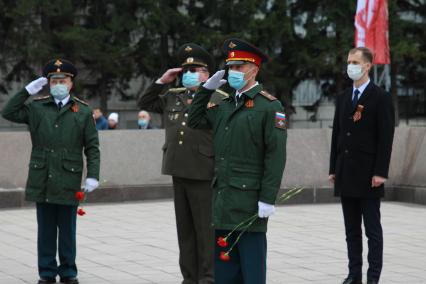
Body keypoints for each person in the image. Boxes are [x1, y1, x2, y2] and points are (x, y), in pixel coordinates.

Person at [188, 38, 287, 284]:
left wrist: (268, 197)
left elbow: (275, 155)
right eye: (230, 67)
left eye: (239, 67)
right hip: (223, 200)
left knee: (252, 273)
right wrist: (205, 90)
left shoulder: (269, 106)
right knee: (225, 274)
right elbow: (195, 120)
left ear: (254, 69)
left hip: (250, 203)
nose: (233, 72)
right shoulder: (224, 105)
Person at [1, 59, 100, 284]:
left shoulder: (83, 111)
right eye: (53, 80)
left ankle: (68, 272)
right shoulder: (36, 107)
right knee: (45, 230)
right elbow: (8, 112)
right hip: (42, 175)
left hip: (69, 177)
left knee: (67, 230)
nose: (58, 83)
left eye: (62, 80)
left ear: (71, 83)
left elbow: (92, 146)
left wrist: (93, 174)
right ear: (47, 83)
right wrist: (25, 91)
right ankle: (46, 272)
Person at [138, 43, 228, 284]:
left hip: (204, 171)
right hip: (178, 169)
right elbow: (145, 103)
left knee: (205, 231)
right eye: (186, 70)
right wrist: (162, 80)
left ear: (208, 73)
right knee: (185, 231)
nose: (190, 74)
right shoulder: (173, 95)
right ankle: (189, 277)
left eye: (197, 69)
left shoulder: (219, 98)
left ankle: (208, 278)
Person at [329, 47, 395, 284]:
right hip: (346, 173)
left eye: (355, 62)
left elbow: (385, 139)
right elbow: (337, 134)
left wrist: (380, 172)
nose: (351, 66)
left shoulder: (380, 97)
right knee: (351, 231)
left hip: (369, 175)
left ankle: (373, 277)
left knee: (372, 231)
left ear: (368, 66)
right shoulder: (344, 97)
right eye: (349, 61)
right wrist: (333, 169)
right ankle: (353, 274)